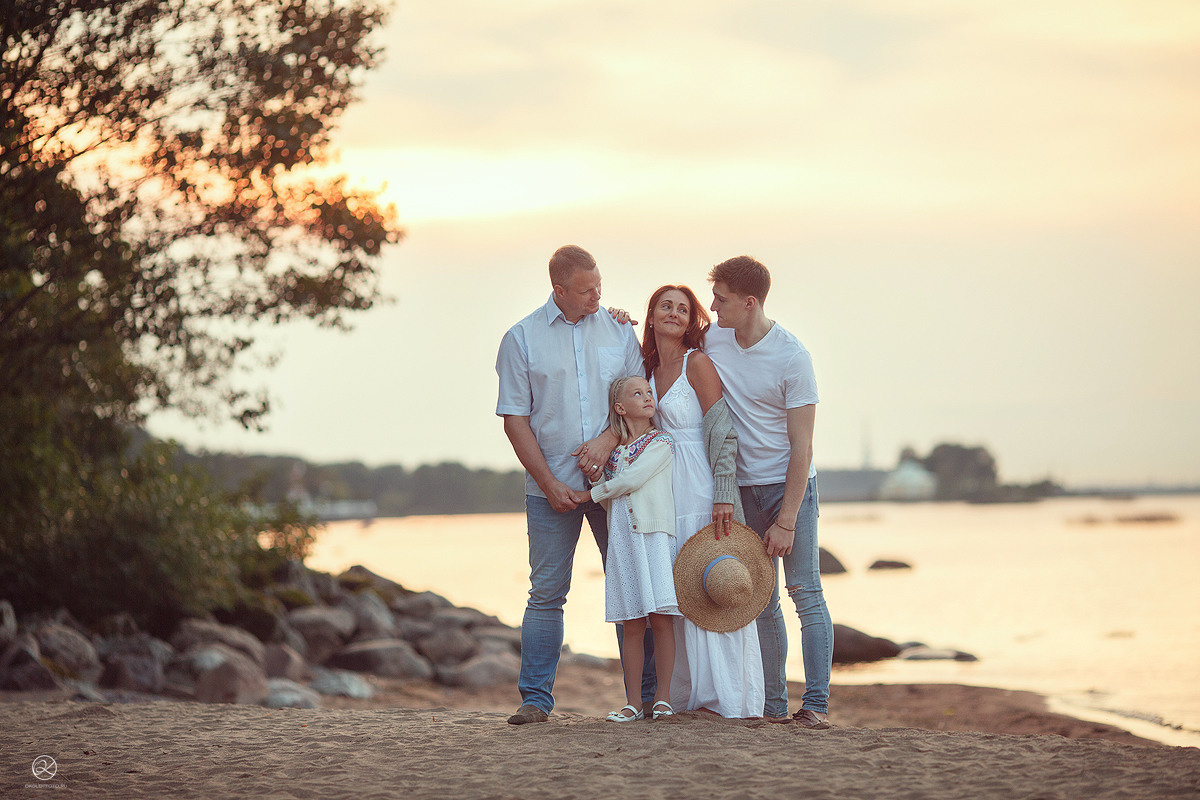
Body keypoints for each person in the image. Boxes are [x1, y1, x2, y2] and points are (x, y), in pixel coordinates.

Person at [495, 245, 654, 725]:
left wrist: (608, 439)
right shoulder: (521, 338)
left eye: (599, 286)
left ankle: (647, 698)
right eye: (586, 290)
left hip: (616, 485)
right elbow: (515, 420)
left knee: (632, 587)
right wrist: (547, 483)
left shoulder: (617, 329)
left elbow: (639, 397)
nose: (597, 296)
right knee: (546, 593)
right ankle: (536, 700)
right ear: (558, 290)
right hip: (551, 491)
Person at [704, 255, 833, 729]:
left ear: (749, 302)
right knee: (762, 600)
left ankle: (815, 706)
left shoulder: (792, 357)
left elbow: (803, 448)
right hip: (742, 491)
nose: (713, 308)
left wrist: (787, 520)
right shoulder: (715, 336)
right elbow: (667, 335)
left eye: (721, 300)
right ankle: (774, 706)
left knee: (806, 592)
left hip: (788, 488)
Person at [640, 284, 766, 718]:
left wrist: (724, 493)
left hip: (699, 482)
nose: (673, 313)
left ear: (691, 319)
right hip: (662, 490)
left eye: (682, 308)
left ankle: (728, 698)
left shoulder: (698, 363)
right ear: (651, 316)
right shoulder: (647, 369)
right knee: (680, 585)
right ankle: (687, 696)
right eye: (665, 306)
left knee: (712, 578)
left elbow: (723, 430)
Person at [571, 375, 678, 722]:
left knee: (661, 619)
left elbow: (632, 482)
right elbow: (611, 503)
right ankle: (633, 702)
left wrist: (591, 493)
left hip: (654, 538)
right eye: (638, 393)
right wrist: (594, 474)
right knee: (632, 623)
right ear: (620, 407)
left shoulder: (661, 443)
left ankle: (661, 698)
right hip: (624, 542)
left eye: (649, 392)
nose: (648, 397)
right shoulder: (615, 455)